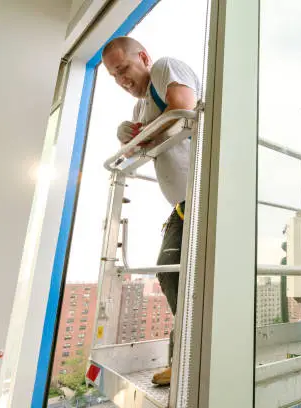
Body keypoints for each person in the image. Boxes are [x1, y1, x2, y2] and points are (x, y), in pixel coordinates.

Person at [102, 36, 201, 386]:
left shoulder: (165, 68)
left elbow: (182, 109)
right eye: (115, 76)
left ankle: (191, 356)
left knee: (175, 273)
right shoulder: (139, 109)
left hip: (205, 194)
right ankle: (188, 355)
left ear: (142, 57)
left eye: (124, 69)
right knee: (173, 273)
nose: (122, 80)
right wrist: (126, 138)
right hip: (182, 204)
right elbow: (135, 152)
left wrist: (142, 136)